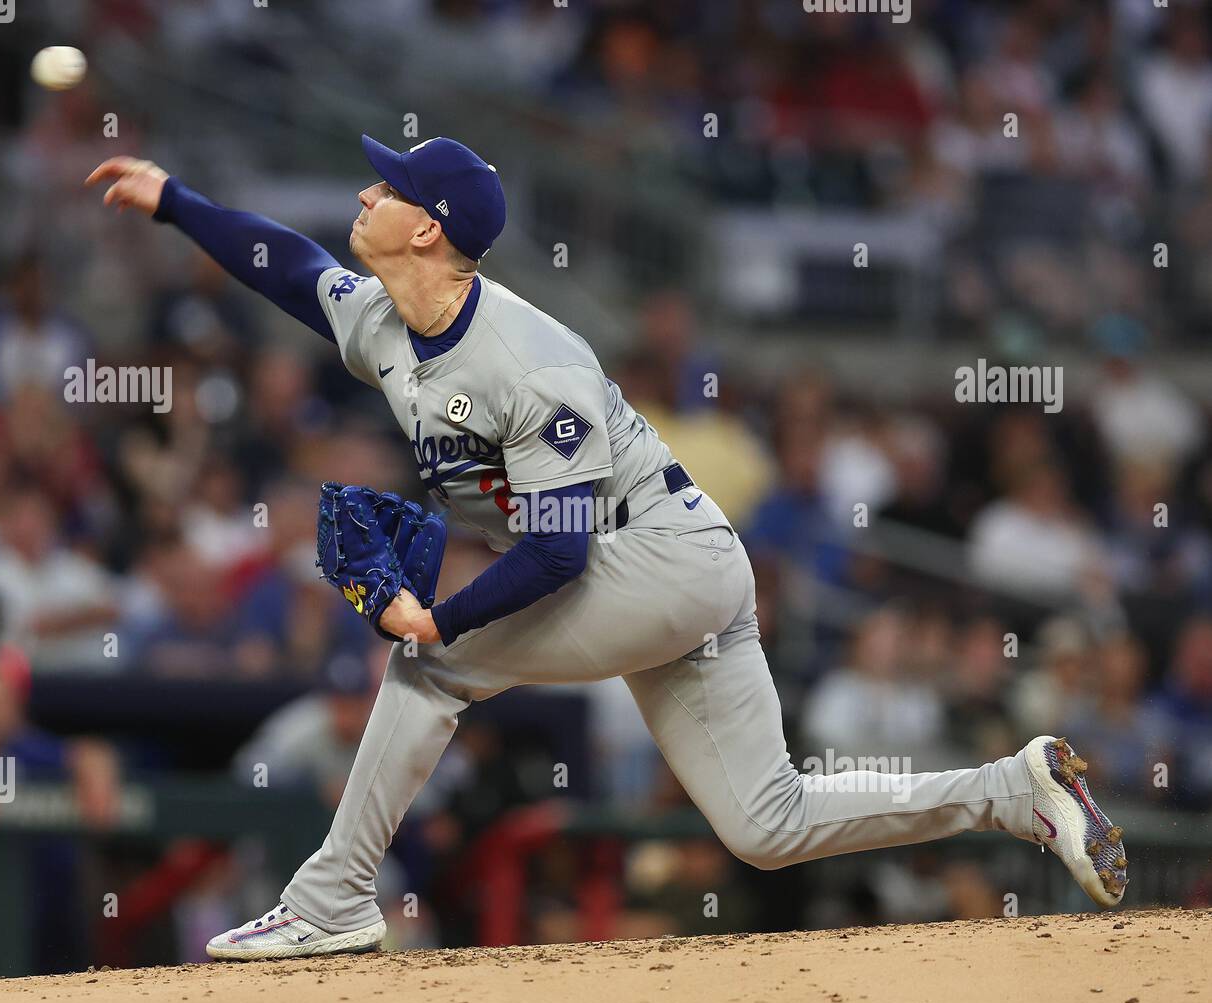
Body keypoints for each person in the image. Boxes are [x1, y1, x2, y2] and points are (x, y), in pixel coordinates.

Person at [85, 136, 1128, 960]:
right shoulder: (387, 323)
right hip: (670, 571)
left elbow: (556, 558)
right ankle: (1010, 790)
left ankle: (332, 899)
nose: (365, 195)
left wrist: (436, 618)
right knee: (764, 822)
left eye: (387, 188)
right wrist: (176, 200)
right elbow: (287, 267)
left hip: (659, 558)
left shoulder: (530, 365)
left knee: (429, 664)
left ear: (428, 233)